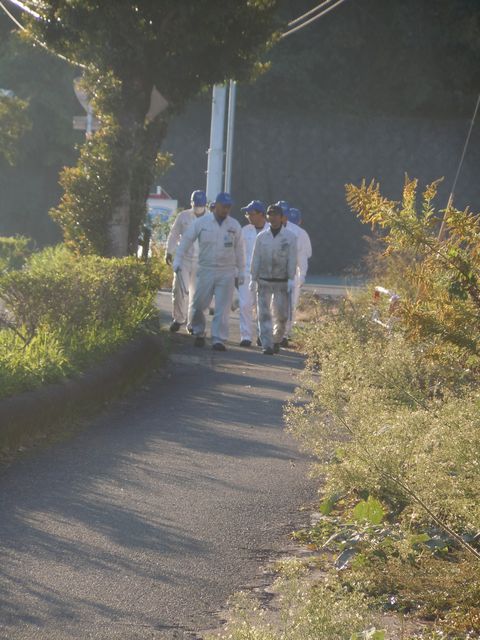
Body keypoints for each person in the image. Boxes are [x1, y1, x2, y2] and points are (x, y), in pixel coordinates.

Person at [173, 192, 245, 351]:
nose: (225, 210)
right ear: (216, 206)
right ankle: (199, 331)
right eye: (223, 206)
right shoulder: (203, 222)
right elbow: (186, 240)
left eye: (228, 207)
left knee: (222, 307)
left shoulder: (234, 226)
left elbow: (240, 249)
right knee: (199, 304)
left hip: (226, 271)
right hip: (206, 269)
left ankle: (218, 339)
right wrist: (177, 259)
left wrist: (242, 270)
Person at [250, 204, 297, 355]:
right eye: (270, 214)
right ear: (267, 217)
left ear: (282, 217)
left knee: (281, 315)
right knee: (263, 314)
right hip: (264, 280)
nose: (273, 217)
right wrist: (253, 277)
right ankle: (267, 344)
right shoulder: (261, 237)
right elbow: (256, 258)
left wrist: (291, 278)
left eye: (276, 215)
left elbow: (292, 258)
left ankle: (277, 339)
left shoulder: (290, 237)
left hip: (281, 281)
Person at [165, 190, 207, 333]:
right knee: (178, 290)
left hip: (201, 262)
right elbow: (174, 234)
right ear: (191, 203)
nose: (198, 207)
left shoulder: (211, 219)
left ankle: (193, 325)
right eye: (196, 204)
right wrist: (169, 252)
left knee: (197, 295)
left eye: (201, 205)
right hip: (184, 259)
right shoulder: (183, 217)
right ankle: (178, 319)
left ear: (205, 205)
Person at [277, 202, 312, 344]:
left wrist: (302, 274)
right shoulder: (299, 232)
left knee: (288, 305)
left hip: (291, 272)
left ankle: (283, 334)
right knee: (279, 305)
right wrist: (302, 273)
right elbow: (306, 254)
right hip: (280, 272)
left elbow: (303, 255)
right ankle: (279, 333)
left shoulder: (298, 233)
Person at [238, 200, 267, 347]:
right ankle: (246, 336)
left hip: (264, 274)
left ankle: (263, 335)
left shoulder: (271, 230)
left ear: (261, 214)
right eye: (247, 213)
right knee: (244, 305)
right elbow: (238, 253)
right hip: (246, 273)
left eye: (251, 213)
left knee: (263, 306)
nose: (248, 216)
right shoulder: (245, 230)